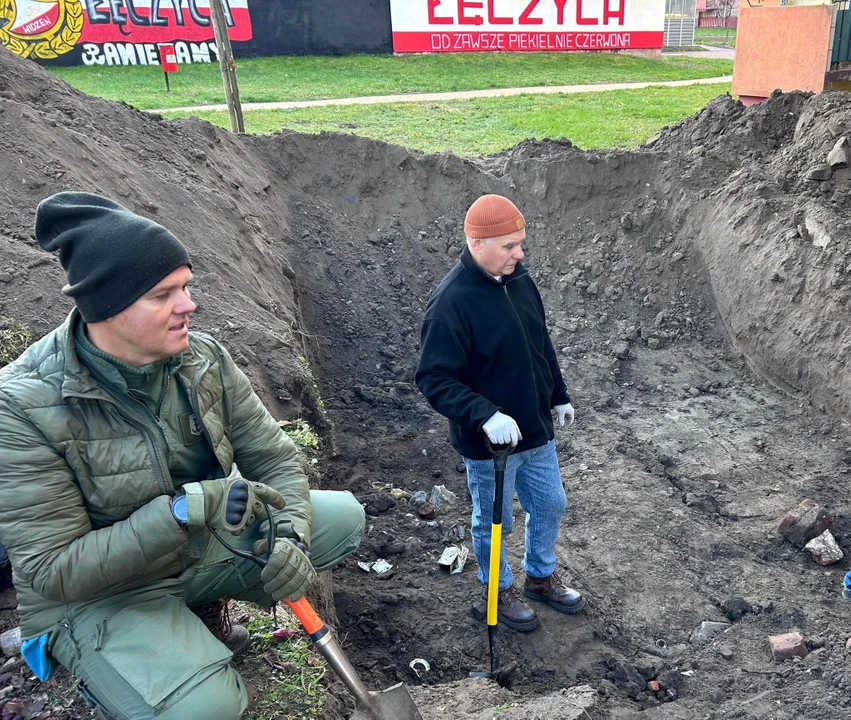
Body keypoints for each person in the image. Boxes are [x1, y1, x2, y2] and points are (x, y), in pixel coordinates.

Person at [0, 192, 365, 720]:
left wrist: (289, 534)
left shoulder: (202, 357)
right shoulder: (21, 405)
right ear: (107, 306)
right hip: (99, 593)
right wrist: (179, 512)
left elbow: (276, 460)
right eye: (164, 294)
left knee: (343, 519)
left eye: (187, 286)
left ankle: (195, 610)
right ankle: (111, 667)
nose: (189, 305)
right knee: (209, 707)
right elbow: (52, 571)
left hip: (190, 548)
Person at [416, 194, 585, 632]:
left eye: (521, 243)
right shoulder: (450, 304)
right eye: (509, 245)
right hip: (490, 446)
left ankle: (540, 576)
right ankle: (497, 588)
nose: (520, 253)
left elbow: (539, 345)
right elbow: (434, 378)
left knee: (550, 504)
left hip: (535, 431)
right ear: (478, 243)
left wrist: (558, 394)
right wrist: (485, 414)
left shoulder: (519, 280)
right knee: (495, 521)